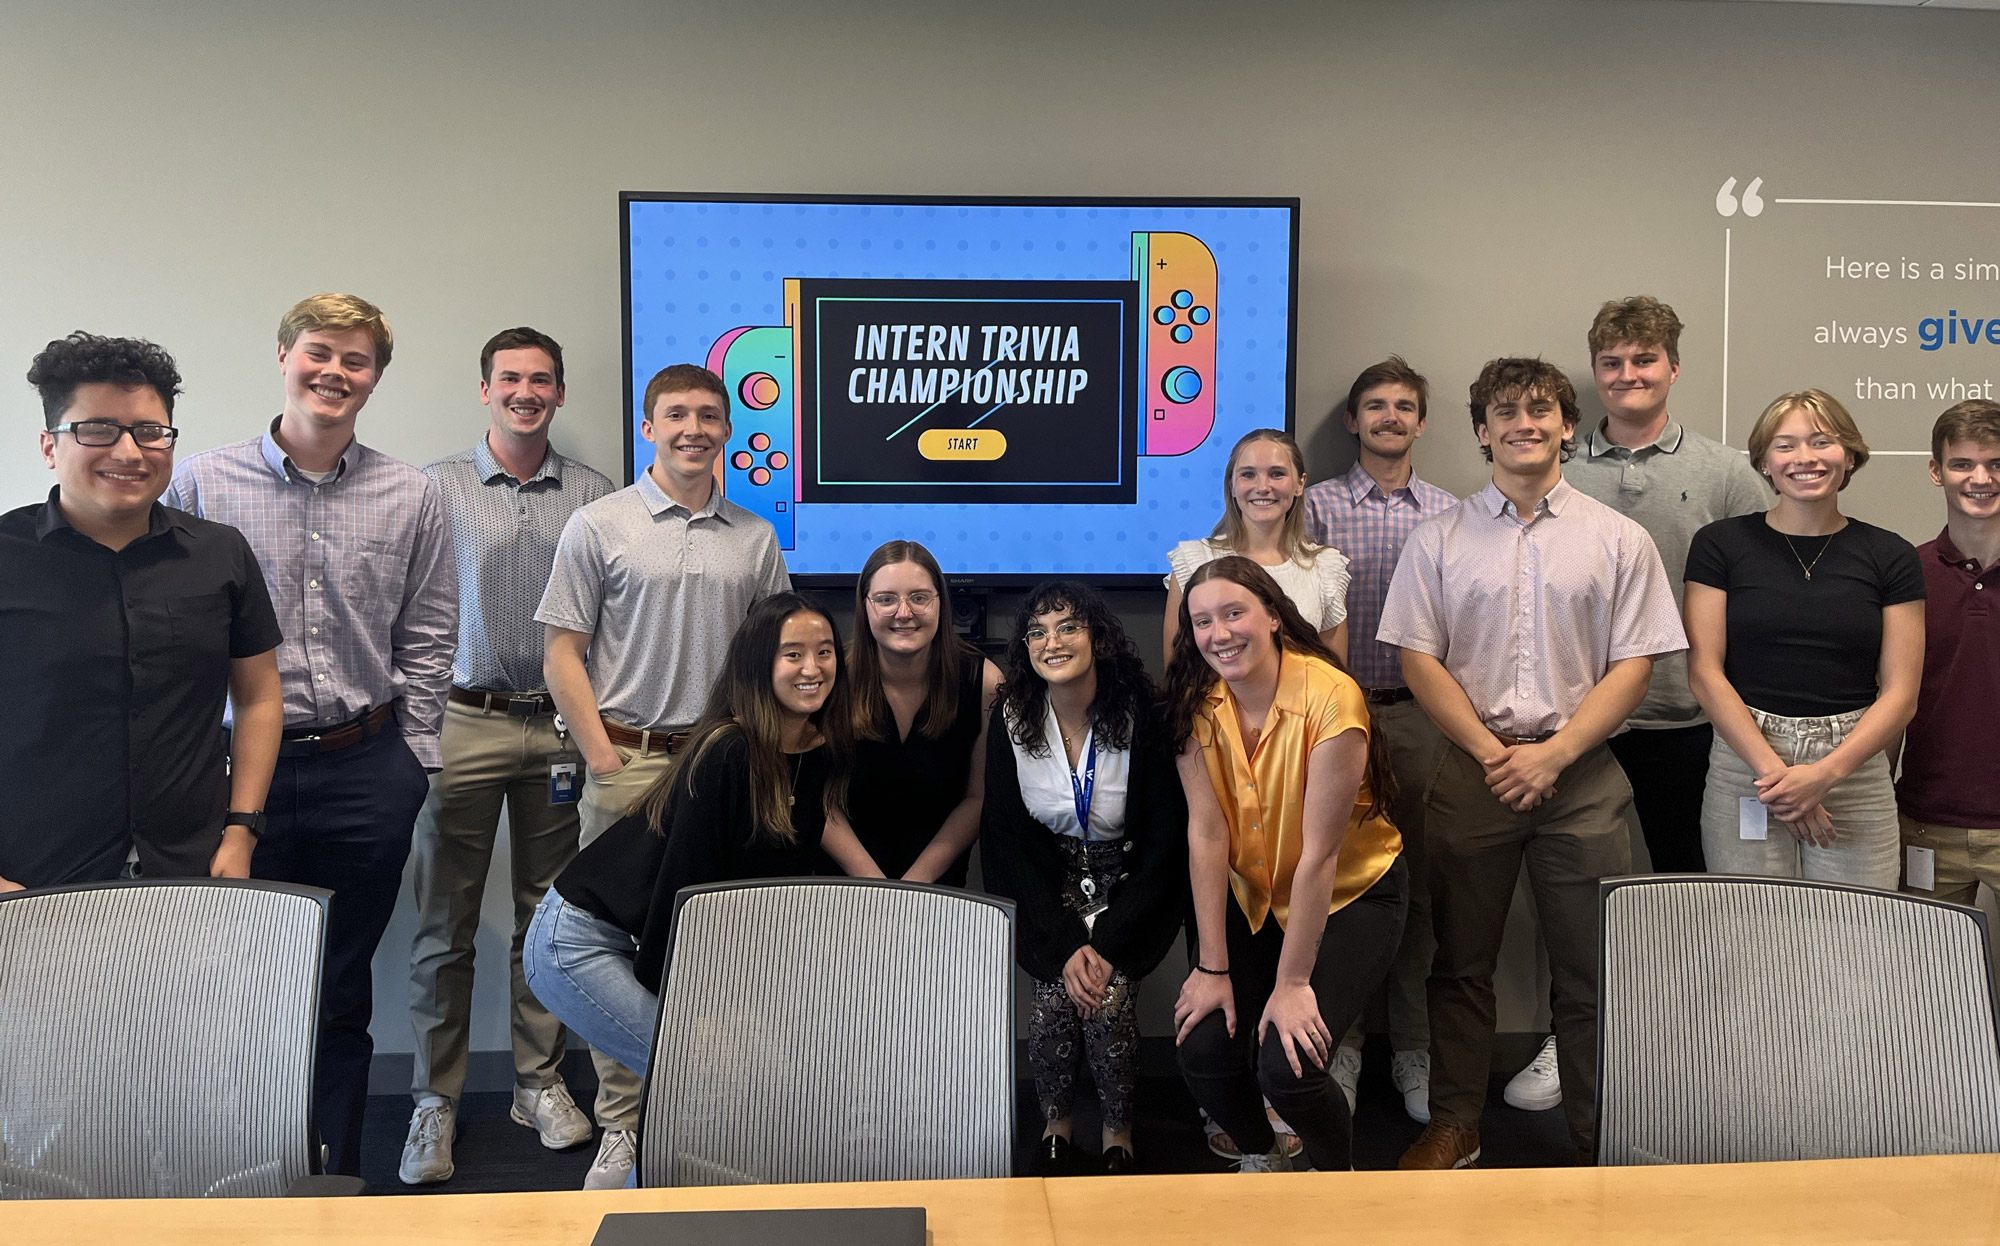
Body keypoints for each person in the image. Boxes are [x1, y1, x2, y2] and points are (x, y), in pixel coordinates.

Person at [165, 294, 458, 1178]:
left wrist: (413, 761)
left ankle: (331, 1174)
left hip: (366, 766)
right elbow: (175, 631)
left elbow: (431, 633)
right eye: (319, 353)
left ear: (374, 378)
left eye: (356, 360)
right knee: (236, 980)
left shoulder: (411, 493)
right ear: (285, 355)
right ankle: (233, 1167)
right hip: (230, 777)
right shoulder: (203, 485)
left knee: (339, 983)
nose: (335, 372)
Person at [1379, 357, 1685, 1170]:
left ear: (1565, 425)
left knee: (1590, 973)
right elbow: (1418, 656)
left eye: (1541, 409)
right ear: (1482, 431)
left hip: (1582, 779)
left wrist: (1555, 753)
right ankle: (1455, 1123)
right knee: (1458, 963)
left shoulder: (1618, 538)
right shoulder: (1437, 536)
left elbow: (1636, 664)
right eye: (1506, 411)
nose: (1525, 422)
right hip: (1471, 771)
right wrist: (1491, 750)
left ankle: (1598, 1135)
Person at [536, 360, 789, 1187]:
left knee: (715, 948)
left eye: (709, 415)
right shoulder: (599, 525)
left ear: (728, 430)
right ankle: (624, 1128)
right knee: (618, 947)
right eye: (676, 414)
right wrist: (603, 757)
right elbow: (561, 654)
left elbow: (772, 660)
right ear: (649, 429)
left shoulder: (754, 538)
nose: (693, 428)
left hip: (723, 774)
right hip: (630, 764)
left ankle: (707, 1117)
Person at [399, 328, 615, 1185]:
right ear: (484, 389)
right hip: (464, 718)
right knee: (443, 922)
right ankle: (433, 1101)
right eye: (511, 378)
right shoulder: (433, 489)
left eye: (542, 380)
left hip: (562, 725)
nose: (526, 391)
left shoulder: (596, 497)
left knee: (547, 918)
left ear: (560, 394)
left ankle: (537, 1081)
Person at [523, 592, 846, 1121]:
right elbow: (684, 895)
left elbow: (773, 894)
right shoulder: (728, 748)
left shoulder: (817, 751)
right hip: (579, 942)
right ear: (759, 663)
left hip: (646, 934)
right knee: (703, 1082)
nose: (812, 668)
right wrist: (700, 1023)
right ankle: (633, 1199)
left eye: (825, 651)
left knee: (727, 1086)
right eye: (793, 654)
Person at [1, 332, 283, 892]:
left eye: (150, 432)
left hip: (191, 864)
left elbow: (258, 697)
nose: (129, 452)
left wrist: (240, 833)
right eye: (98, 429)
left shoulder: (220, 553)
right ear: (50, 446)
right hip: (31, 871)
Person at [1166, 556, 1408, 1174]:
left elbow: (1319, 855)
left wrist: (1292, 983)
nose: (1218, 633)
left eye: (1233, 612)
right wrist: (1210, 966)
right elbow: (1206, 833)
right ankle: (1265, 1155)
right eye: (1201, 621)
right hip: (1253, 894)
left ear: (1273, 616)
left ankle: (1336, 1181)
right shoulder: (1196, 701)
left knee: (1289, 1066)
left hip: (1347, 893)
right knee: (1203, 1050)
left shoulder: (1331, 697)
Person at [980, 581, 1189, 1175]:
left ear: (1097, 636)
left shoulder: (1141, 715)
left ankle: (1118, 1132)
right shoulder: (1013, 718)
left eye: (1068, 627)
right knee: (1052, 1001)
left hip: (1130, 888)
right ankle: (1057, 1125)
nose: (1053, 642)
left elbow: (1163, 841)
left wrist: (1108, 944)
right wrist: (1069, 942)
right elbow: (1007, 841)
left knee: (1109, 999)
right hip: (1051, 887)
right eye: (1038, 631)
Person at [1301, 357, 1456, 1124]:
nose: (1390, 417)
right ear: (1354, 421)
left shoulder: (1456, 512)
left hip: (1425, 718)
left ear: (1421, 422)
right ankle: (1344, 1043)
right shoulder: (1315, 509)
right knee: (1340, 887)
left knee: (1421, 886)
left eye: (1404, 406)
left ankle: (1415, 1048)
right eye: (1374, 406)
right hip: (1337, 721)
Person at [1686, 389, 1923, 888]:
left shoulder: (1891, 554)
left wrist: (1823, 776)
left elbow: (1901, 695)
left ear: (1850, 455)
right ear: (1764, 462)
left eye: (1822, 441)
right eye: (1786, 445)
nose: (1805, 458)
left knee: (1856, 937)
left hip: (1853, 767)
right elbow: (1705, 672)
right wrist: (1778, 779)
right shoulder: (1720, 545)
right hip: (1746, 764)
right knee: (1751, 935)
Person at [819, 540, 1001, 888]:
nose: (904, 613)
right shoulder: (830, 678)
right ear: (865, 606)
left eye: (919, 598)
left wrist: (918, 882)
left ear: (940, 604)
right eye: (887, 599)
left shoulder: (985, 683)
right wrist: (874, 882)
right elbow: (819, 797)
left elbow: (978, 797)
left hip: (939, 889)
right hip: (843, 887)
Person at [1899, 400, 2000, 901]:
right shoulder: (1905, 576)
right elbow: (1888, 703)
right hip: (1925, 823)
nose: (1981, 478)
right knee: (1928, 978)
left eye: (1996, 463)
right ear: (1937, 472)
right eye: (1963, 463)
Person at [1165, 428, 1351, 661]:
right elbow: (1180, 678)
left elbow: (1335, 680)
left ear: (1299, 484)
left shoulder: (1325, 567)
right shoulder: (1193, 562)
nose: (1263, 486)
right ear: (1231, 484)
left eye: (1276, 474)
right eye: (1248, 475)